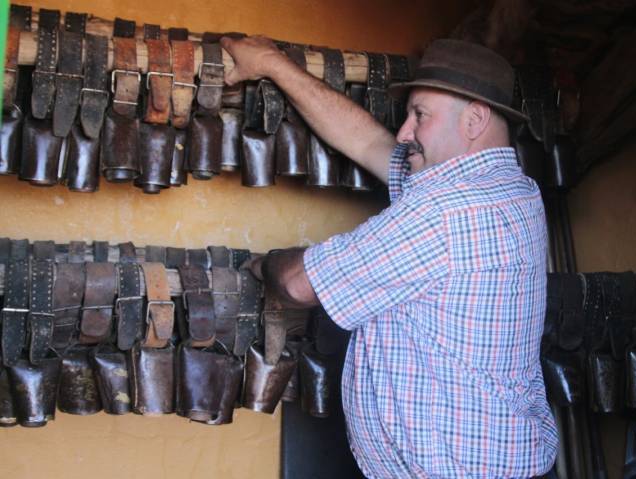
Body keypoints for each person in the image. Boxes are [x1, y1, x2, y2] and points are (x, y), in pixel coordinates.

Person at [221, 36, 558, 478]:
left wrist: (265, 263)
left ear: (475, 119)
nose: (404, 132)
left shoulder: (443, 213)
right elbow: (366, 144)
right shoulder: (513, 190)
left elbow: (298, 284)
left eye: (420, 115)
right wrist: (274, 65)